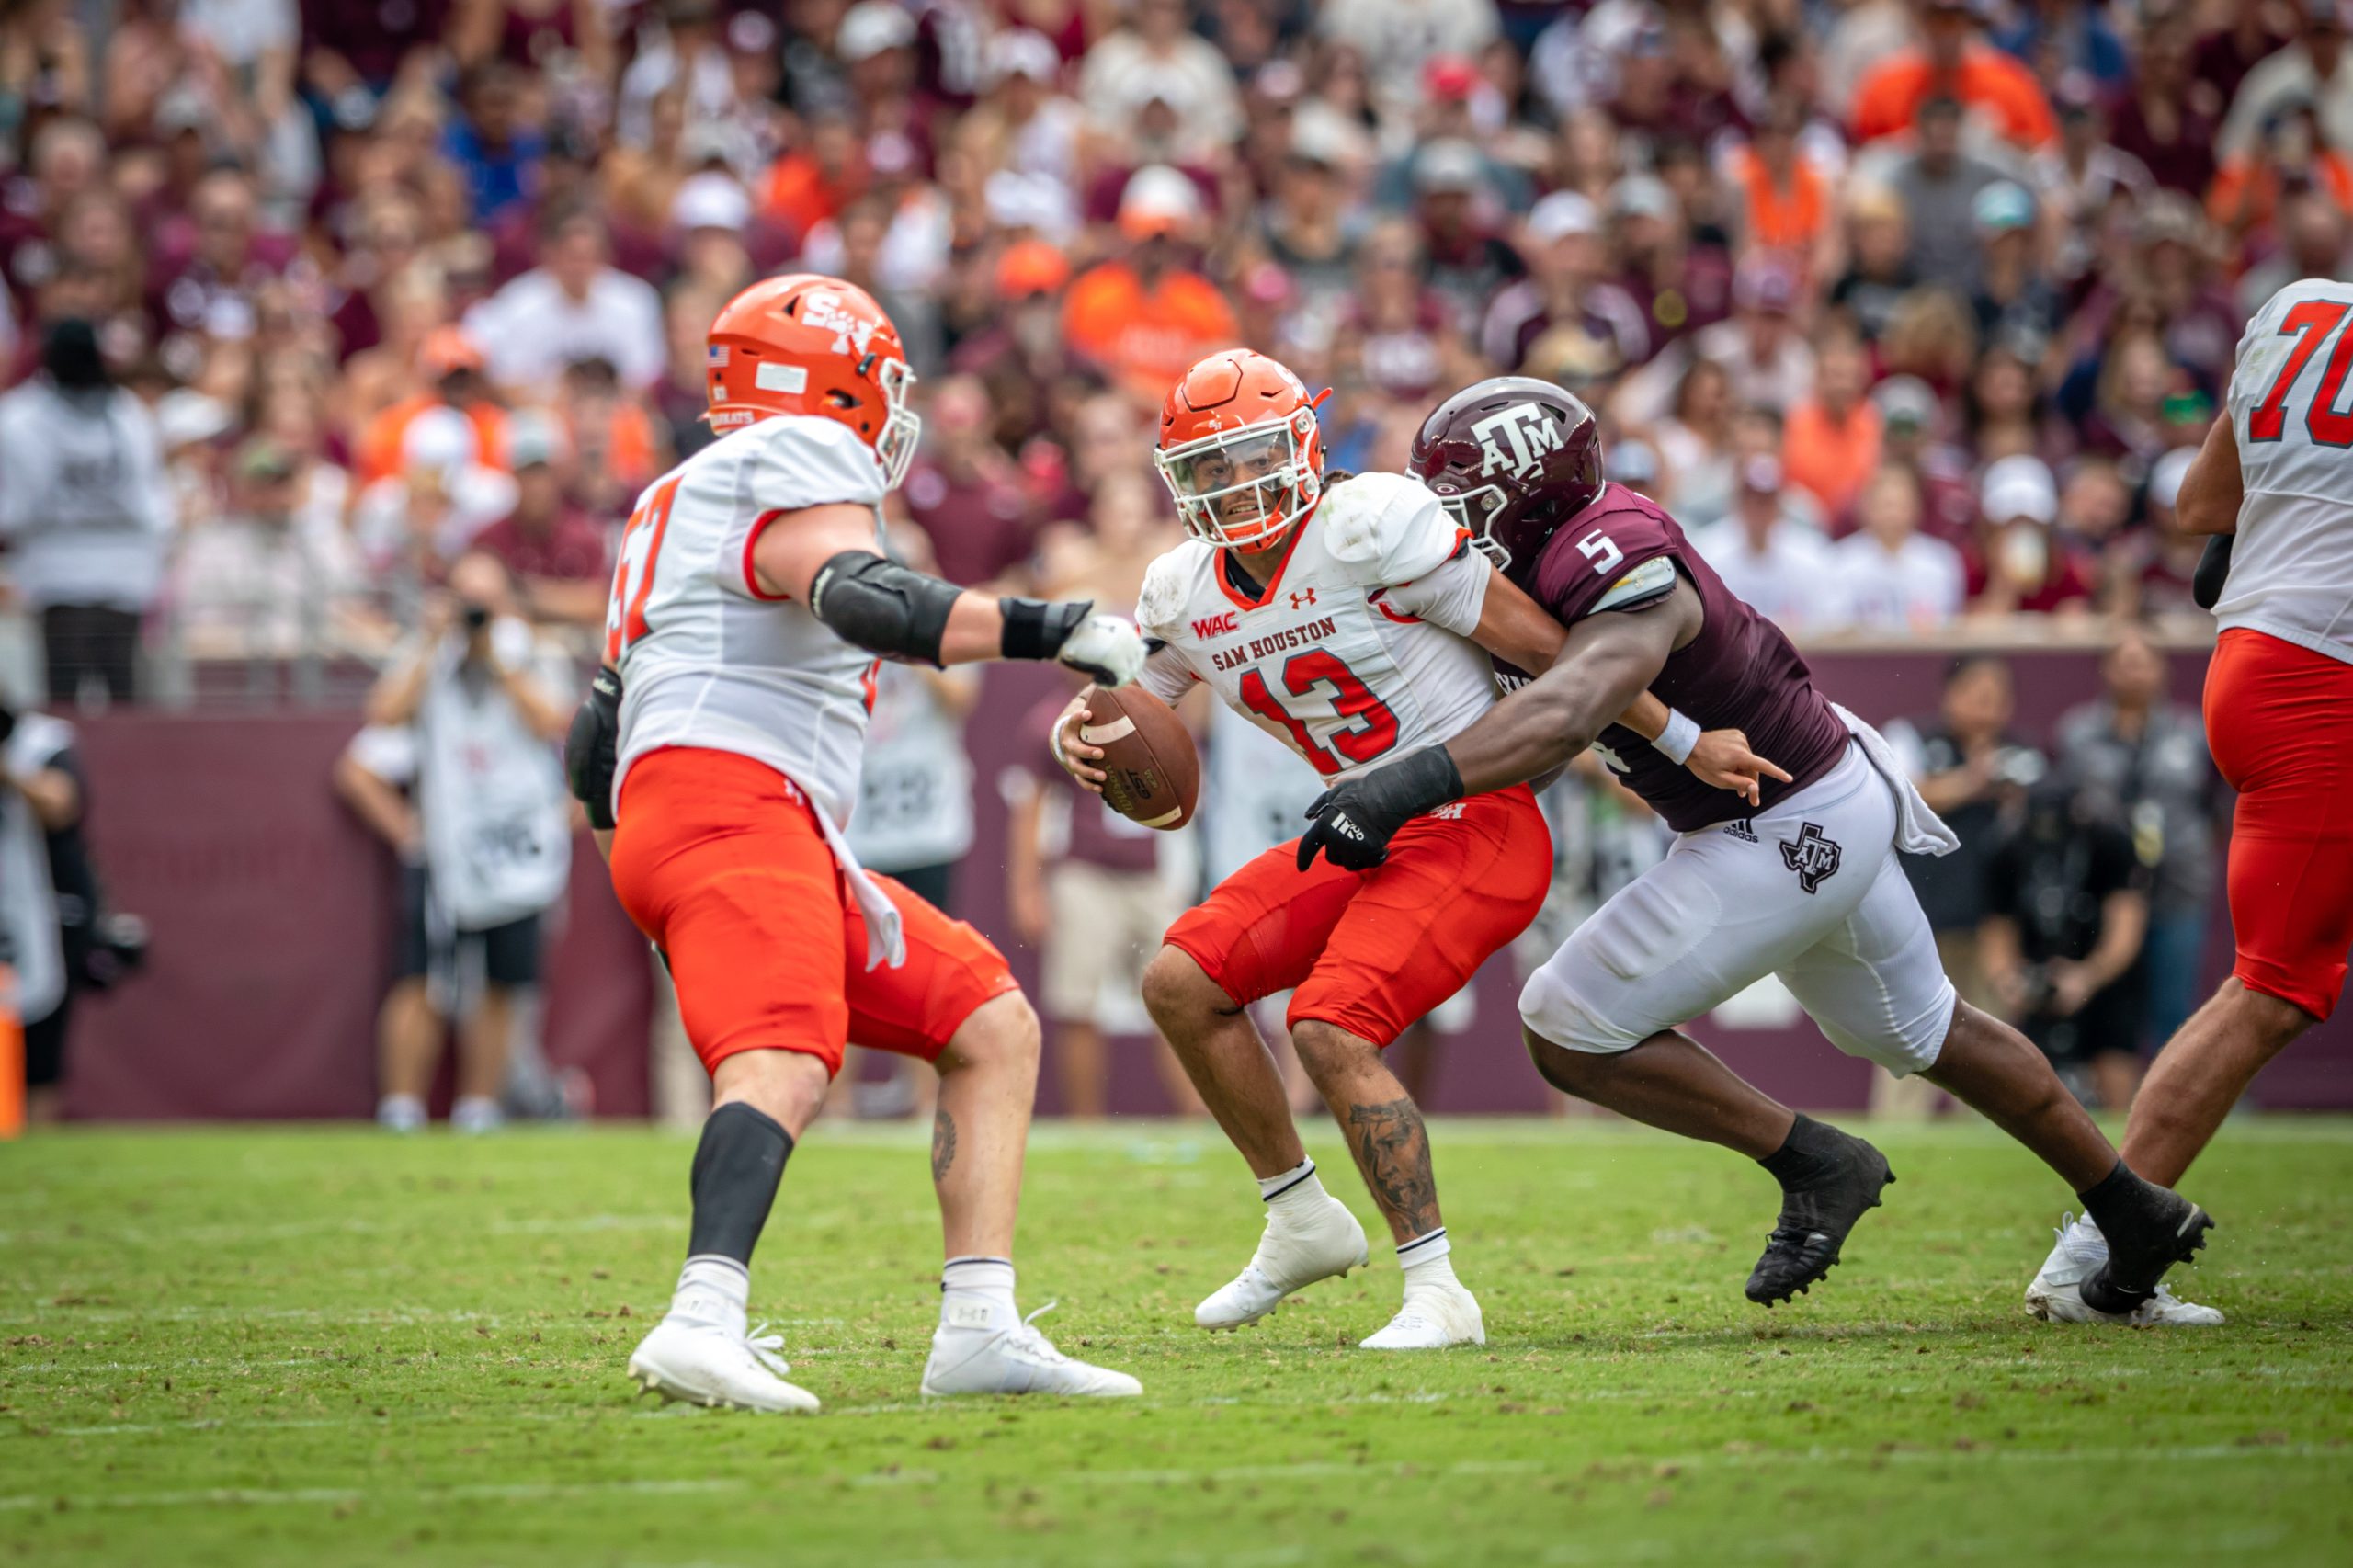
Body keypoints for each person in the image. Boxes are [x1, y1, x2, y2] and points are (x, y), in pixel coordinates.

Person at [1298, 376, 2211, 1325]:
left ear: (1529, 494)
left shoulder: (1611, 555)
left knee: (1564, 1022)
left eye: (1468, 502)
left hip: (1784, 817)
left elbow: (1570, 707)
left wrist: (1398, 787)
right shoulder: (1544, 555)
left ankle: (1814, 1161)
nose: (1456, 524)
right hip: (1804, 790)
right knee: (1927, 1029)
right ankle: (2130, 1207)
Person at [1052, 356, 1782, 1349]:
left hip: (1473, 821)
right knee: (1181, 979)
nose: (1235, 484)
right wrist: (1080, 732)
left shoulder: (1368, 524)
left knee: (1328, 1024)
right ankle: (1299, 1216)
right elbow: (1131, 695)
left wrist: (1686, 739)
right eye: (1210, 468)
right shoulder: (1183, 588)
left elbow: (1548, 651)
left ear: (1304, 448)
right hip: (1353, 832)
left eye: (1253, 456)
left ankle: (1438, 1287)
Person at [562, 274, 1149, 1413]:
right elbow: (862, 598)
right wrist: (1053, 626)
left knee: (987, 1016)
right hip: (736, 805)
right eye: (877, 382)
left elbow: (597, 729)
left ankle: (979, 1324)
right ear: (826, 383)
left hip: (701, 816)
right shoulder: (798, 460)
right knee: (784, 1053)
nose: (889, 410)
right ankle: (702, 1314)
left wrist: (639, 879)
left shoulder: (675, 497)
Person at [2027, 277, 2353, 1326]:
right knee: (2272, 986)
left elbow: (2201, 505)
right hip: (2323, 675)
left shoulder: (2296, 307)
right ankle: (2100, 1255)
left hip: (2253, 657)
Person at [355, 551, 575, 1134]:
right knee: (424, 975)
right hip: (448, 843)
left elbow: (553, 721)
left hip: (513, 841)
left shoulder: (532, 652)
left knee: (504, 980)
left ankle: (480, 1106)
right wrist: (431, 646)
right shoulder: (429, 654)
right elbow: (382, 716)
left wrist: (498, 662)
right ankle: (400, 1107)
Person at [2054, 629, 2222, 1057]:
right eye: (2124, 662)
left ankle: (2181, 1107)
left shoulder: (2194, 732)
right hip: (2102, 892)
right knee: (2105, 1010)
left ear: (2163, 670)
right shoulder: (2076, 734)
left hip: (2176, 887)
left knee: (2175, 1007)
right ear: (2105, 671)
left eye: (2144, 662)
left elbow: (2218, 807)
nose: (2135, 673)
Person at [0, 318, 174, 706]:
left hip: (91, 566)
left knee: (101, 688)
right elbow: (153, 502)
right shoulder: (127, 414)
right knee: (90, 687)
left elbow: (16, 507)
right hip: (77, 569)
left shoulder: (21, 418)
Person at [1979, 777, 2153, 1112]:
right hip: (2040, 968)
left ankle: (2121, 1157)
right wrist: (2010, 981)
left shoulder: (2110, 842)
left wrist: (2088, 977)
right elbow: (1996, 931)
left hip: (2105, 970)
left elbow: (2126, 926)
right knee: (2036, 1091)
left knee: (2114, 1068)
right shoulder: (2003, 848)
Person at [0, 701, 89, 1125]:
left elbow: (59, 805)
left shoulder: (41, 742)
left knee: (40, 1055)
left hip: (39, 914)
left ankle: (36, 1141)